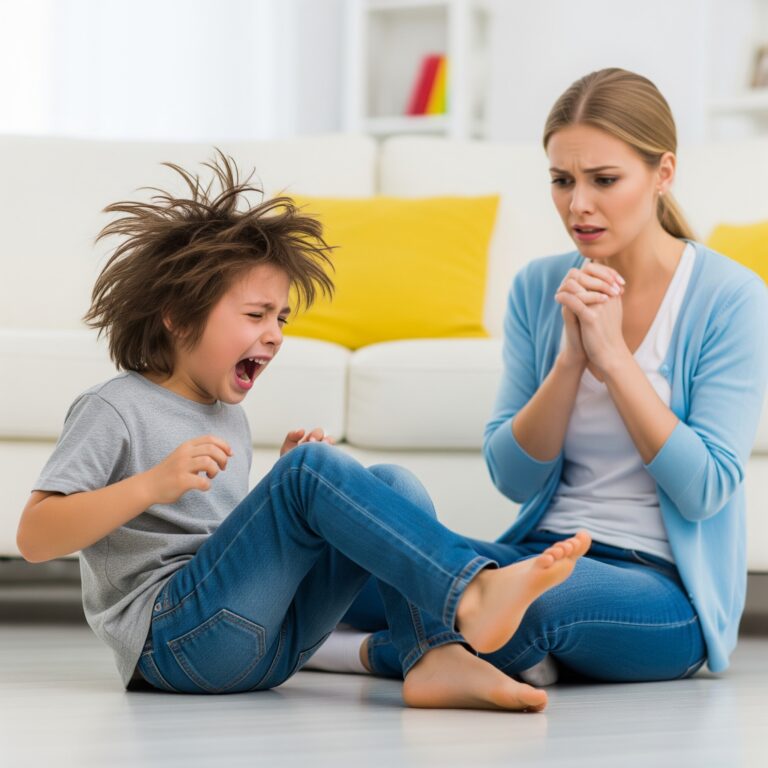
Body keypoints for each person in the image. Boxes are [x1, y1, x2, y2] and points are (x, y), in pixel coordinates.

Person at [15, 152, 591, 710]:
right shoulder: (114, 408)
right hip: (173, 644)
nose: (275, 334)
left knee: (393, 481)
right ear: (178, 314)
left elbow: (219, 539)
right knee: (309, 474)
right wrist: (151, 485)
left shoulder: (227, 416)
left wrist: (281, 489)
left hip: (271, 647)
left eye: (281, 318)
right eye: (255, 314)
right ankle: (471, 592)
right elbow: (36, 537)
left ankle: (432, 657)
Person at [322, 68, 768, 685]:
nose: (578, 204)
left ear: (663, 173)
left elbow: (707, 489)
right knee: (341, 563)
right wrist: (569, 362)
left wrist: (613, 359)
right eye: (562, 181)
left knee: (532, 606)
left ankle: (356, 653)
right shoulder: (539, 286)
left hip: (661, 590)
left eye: (604, 180)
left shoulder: (731, 296)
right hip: (534, 555)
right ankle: (507, 656)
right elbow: (513, 476)